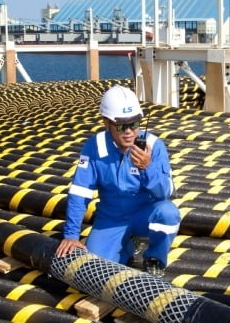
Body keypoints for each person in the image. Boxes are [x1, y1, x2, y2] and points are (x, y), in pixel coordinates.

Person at [56, 85, 180, 276]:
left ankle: (154, 257)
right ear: (106, 123)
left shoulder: (154, 146)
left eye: (134, 124)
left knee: (168, 213)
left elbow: (165, 192)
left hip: (143, 214)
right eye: (121, 125)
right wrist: (71, 235)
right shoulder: (94, 147)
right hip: (111, 218)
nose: (129, 131)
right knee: (95, 272)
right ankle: (129, 244)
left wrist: (148, 168)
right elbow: (80, 192)